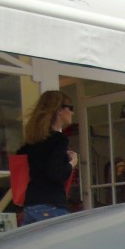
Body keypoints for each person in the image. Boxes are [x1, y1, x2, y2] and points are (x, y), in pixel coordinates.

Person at [17, 91, 79, 224]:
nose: (72, 112)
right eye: (70, 108)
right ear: (59, 110)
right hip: (51, 205)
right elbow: (56, 173)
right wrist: (72, 163)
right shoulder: (59, 140)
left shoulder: (31, 143)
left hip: (30, 206)